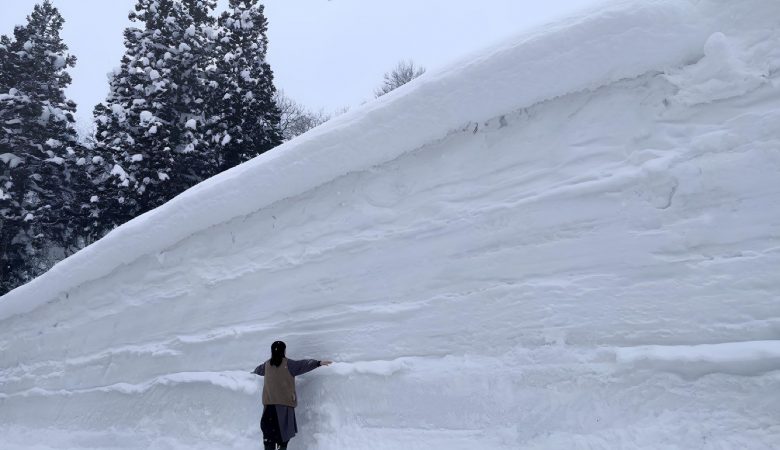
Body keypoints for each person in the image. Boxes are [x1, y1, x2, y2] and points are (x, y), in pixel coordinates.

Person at [252, 341, 332, 450]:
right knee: (283, 438)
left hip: (268, 410)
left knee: (269, 438)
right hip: (283, 409)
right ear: (284, 351)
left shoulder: (266, 365)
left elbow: (256, 371)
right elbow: (303, 365)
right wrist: (318, 363)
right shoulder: (288, 364)